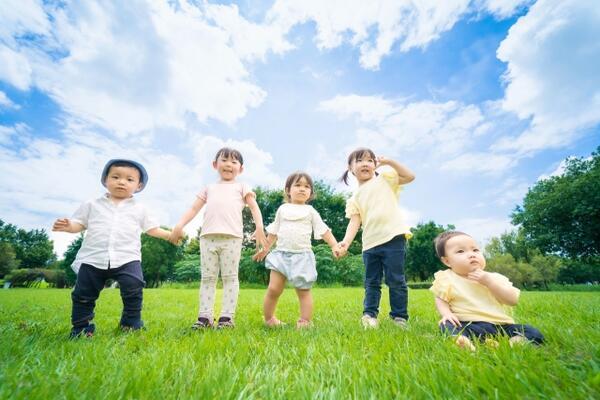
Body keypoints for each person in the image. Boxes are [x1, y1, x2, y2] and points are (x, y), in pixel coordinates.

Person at [53, 159, 172, 338]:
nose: (122, 182)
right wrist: (69, 226)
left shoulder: (140, 208)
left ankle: (130, 323)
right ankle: (81, 328)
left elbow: (152, 228)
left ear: (138, 186)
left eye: (129, 179)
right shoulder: (92, 204)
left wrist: (171, 235)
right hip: (93, 257)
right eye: (115, 177)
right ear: (105, 180)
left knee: (134, 288)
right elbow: (79, 224)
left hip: (127, 257)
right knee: (83, 294)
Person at [170, 147, 267, 329]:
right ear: (215, 165)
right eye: (224, 160)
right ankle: (205, 317)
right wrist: (179, 225)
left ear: (241, 168)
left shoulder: (242, 186)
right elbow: (193, 209)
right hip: (207, 238)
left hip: (232, 238)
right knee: (208, 278)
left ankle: (226, 317)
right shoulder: (209, 188)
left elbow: (254, 207)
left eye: (234, 161)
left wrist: (259, 228)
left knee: (230, 277)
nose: (229, 164)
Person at [337, 148, 415, 329]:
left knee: (396, 279)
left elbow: (410, 176)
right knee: (371, 282)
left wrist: (389, 162)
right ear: (350, 167)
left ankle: (399, 317)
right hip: (370, 243)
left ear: (375, 165)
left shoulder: (384, 180)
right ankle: (369, 315)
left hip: (393, 237)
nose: (366, 163)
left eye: (370, 160)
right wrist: (345, 243)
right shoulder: (354, 197)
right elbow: (354, 222)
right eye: (360, 160)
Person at [431, 231, 544, 350]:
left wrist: (489, 282)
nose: (471, 254)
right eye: (460, 251)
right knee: (446, 324)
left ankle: (515, 343)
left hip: (500, 326)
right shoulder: (447, 278)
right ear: (447, 261)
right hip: (468, 325)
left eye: (475, 250)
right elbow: (440, 299)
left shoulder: (495, 278)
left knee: (531, 331)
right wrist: (446, 314)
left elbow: (512, 300)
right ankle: (464, 342)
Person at [253, 172, 340, 328]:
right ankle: (269, 319)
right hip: (281, 255)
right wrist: (265, 249)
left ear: (311, 193)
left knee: (303, 290)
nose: (302, 189)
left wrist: (334, 245)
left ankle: (305, 321)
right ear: (288, 190)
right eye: (298, 185)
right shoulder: (282, 209)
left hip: (302, 257)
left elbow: (323, 229)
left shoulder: (310, 211)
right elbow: (274, 232)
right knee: (273, 289)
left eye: (306, 187)